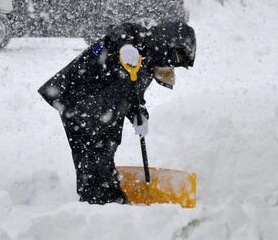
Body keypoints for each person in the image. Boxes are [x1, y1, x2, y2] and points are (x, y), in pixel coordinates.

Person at [38, 22, 196, 204]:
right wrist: (126, 45)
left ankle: (100, 199)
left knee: (102, 151)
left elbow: (134, 95)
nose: (173, 63)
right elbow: (118, 32)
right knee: (95, 152)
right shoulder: (137, 36)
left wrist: (139, 114)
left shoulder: (148, 66)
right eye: (176, 56)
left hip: (103, 108)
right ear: (168, 41)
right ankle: (105, 201)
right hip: (80, 99)